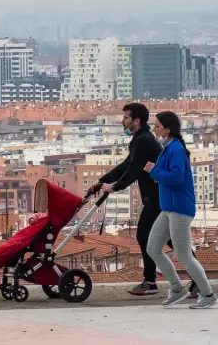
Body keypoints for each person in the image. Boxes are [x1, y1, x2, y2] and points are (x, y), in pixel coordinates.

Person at [144, 111, 218, 309]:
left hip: (179, 208)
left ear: (167, 129)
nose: (154, 129)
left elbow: (176, 177)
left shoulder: (175, 149)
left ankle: (208, 294)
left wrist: (154, 170)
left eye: (157, 126)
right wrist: (156, 173)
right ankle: (177, 288)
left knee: (183, 254)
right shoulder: (168, 149)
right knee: (152, 248)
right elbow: (165, 175)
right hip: (169, 207)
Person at [87, 103, 163, 296]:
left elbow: (133, 170)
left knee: (146, 236)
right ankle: (154, 281)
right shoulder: (142, 139)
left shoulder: (143, 141)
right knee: (167, 239)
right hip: (156, 198)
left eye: (126, 118)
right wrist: (102, 181)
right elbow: (126, 166)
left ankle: (151, 281)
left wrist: (114, 187)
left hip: (157, 198)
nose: (123, 121)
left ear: (136, 121)